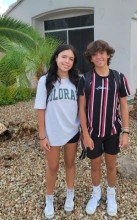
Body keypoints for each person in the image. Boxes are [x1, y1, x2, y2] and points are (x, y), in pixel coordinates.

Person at [78, 40, 130, 216]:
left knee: (111, 165)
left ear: (108, 55)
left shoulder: (119, 77)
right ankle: (96, 193)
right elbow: (82, 109)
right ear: (91, 58)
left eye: (102, 52)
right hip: (93, 133)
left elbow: (123, 106)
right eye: (95, 54)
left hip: (113, 132)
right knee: (94, 165)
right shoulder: (85, 79)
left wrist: (126, 131)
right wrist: (85, 134)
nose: (99, 56)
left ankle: (111, 194)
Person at [34, 44, 80, 219]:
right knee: (52, 167)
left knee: (70, 164)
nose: (67, 61)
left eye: (71, 59)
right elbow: (40, 109)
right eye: (64, 57)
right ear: (56, 58)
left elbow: (81, 108)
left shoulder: (77, 80)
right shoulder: (45, 80)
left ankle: (70, 194)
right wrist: (42, 136)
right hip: (52, 133)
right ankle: (50, 199)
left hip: (72, 131)